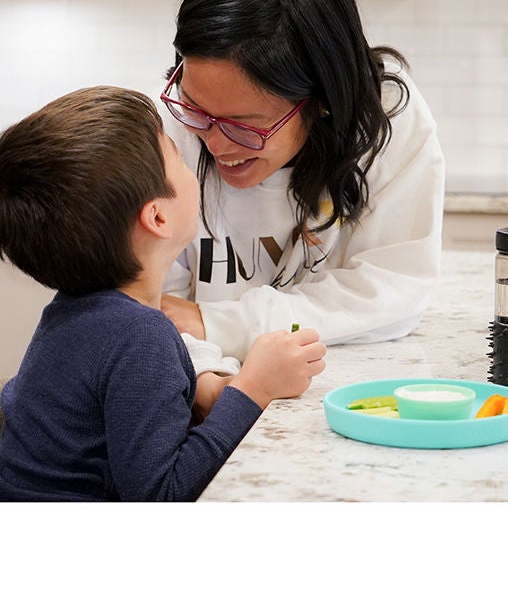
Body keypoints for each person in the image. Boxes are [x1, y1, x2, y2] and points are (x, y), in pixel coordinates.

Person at [0, 87, 326, 502]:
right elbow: (162, 496)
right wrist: (254, 389)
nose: (195, 163)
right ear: (157, 216)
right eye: (176, 155)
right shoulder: (140, 337)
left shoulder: (69, 312)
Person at [158, 0, 445, 371]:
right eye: (197, 110)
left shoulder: (389, 119)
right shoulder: (169, 130)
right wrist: (217, 386)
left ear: (323, 99)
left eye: (244, 125)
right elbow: (156, 316)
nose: (215, 142)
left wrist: (216, 322)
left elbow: (391, 293)